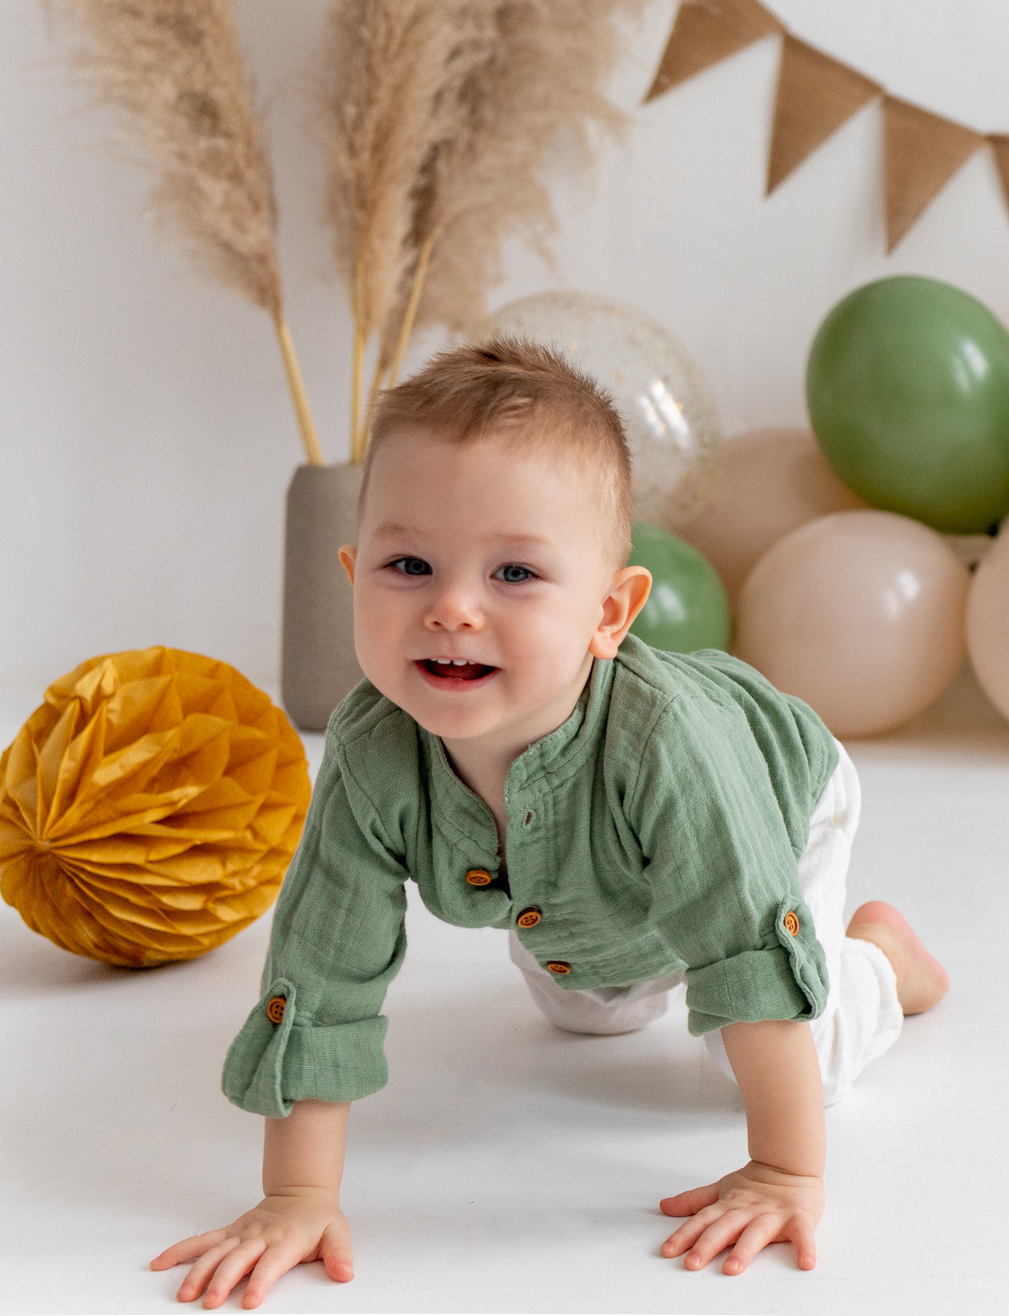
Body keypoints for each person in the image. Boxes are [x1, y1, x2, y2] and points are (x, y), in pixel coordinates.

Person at [152, 340, 948, 1310]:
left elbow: (742, 943)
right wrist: (297, 1195)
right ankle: (623, 954)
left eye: (515, 574)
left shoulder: (672, 750)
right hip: (593, 891)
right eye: (410, 564)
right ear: (353, 575)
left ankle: (876, 961)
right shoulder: (372, 748)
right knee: (587, 1011)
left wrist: (785, 1173)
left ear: (609, 613)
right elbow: (323, 967)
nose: (452, 607)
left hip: (772, 807)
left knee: (784, 1059)